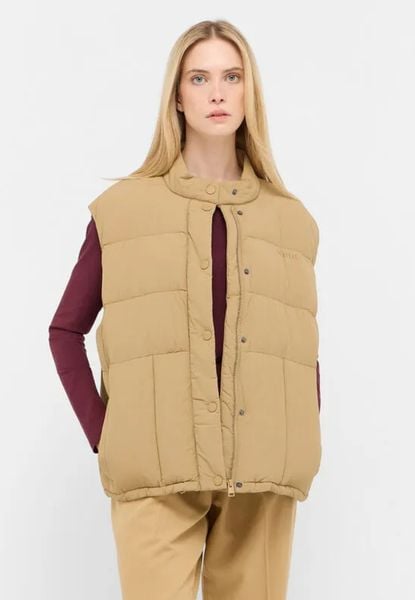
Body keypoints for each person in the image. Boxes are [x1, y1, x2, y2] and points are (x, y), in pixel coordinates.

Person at [48, 18, 322, 600]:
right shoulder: (122, 211)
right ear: (177, 95)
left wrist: (301, 436)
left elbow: (300, 347)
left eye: (232, 76)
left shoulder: (291, 220)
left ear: (250, 91)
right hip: (156, 473)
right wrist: (107, 435)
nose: (217, 93)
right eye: (199, 78)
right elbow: (65, 330)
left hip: (262, 479)